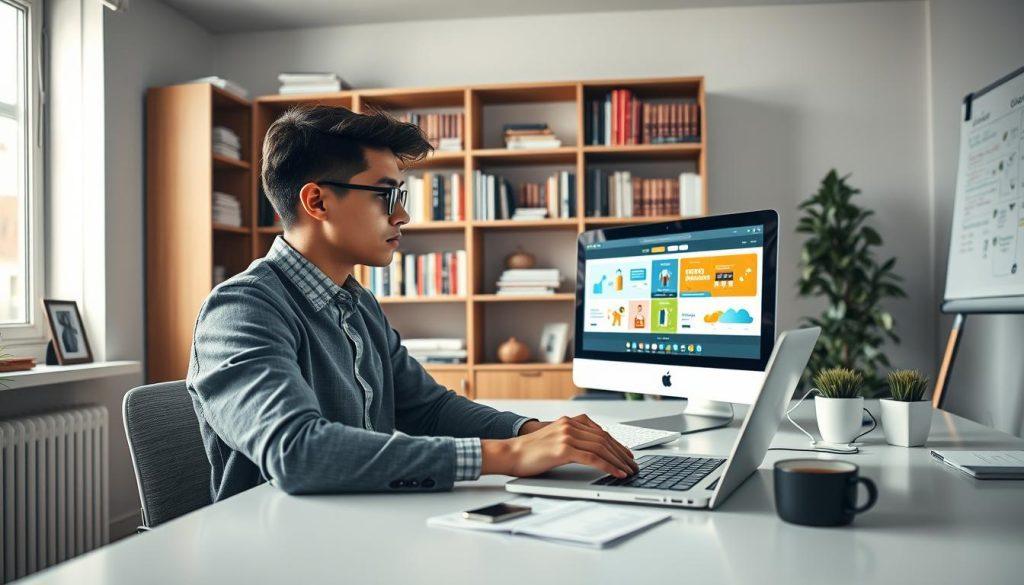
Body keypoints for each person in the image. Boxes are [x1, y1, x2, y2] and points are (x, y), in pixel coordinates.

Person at [186, 106, 637, 501]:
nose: (402, 215)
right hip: (274, 550)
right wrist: (507, 454)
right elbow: (298, 452)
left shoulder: (357, 303)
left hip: (356, 525)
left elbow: (428, 408)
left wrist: (527, 431)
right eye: (387, 195)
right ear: (317, 200)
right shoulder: (241, 309)